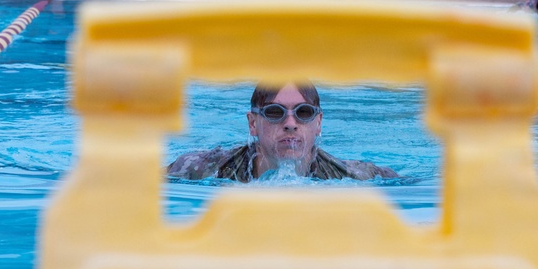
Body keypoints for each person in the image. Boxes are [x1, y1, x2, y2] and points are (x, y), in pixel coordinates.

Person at [167, 82, 398, 182]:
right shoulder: (202, 169)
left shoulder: (351, 175)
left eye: (303, 112)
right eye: (275, 112)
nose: (290, 123)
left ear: (318, 124)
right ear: (252, 123)